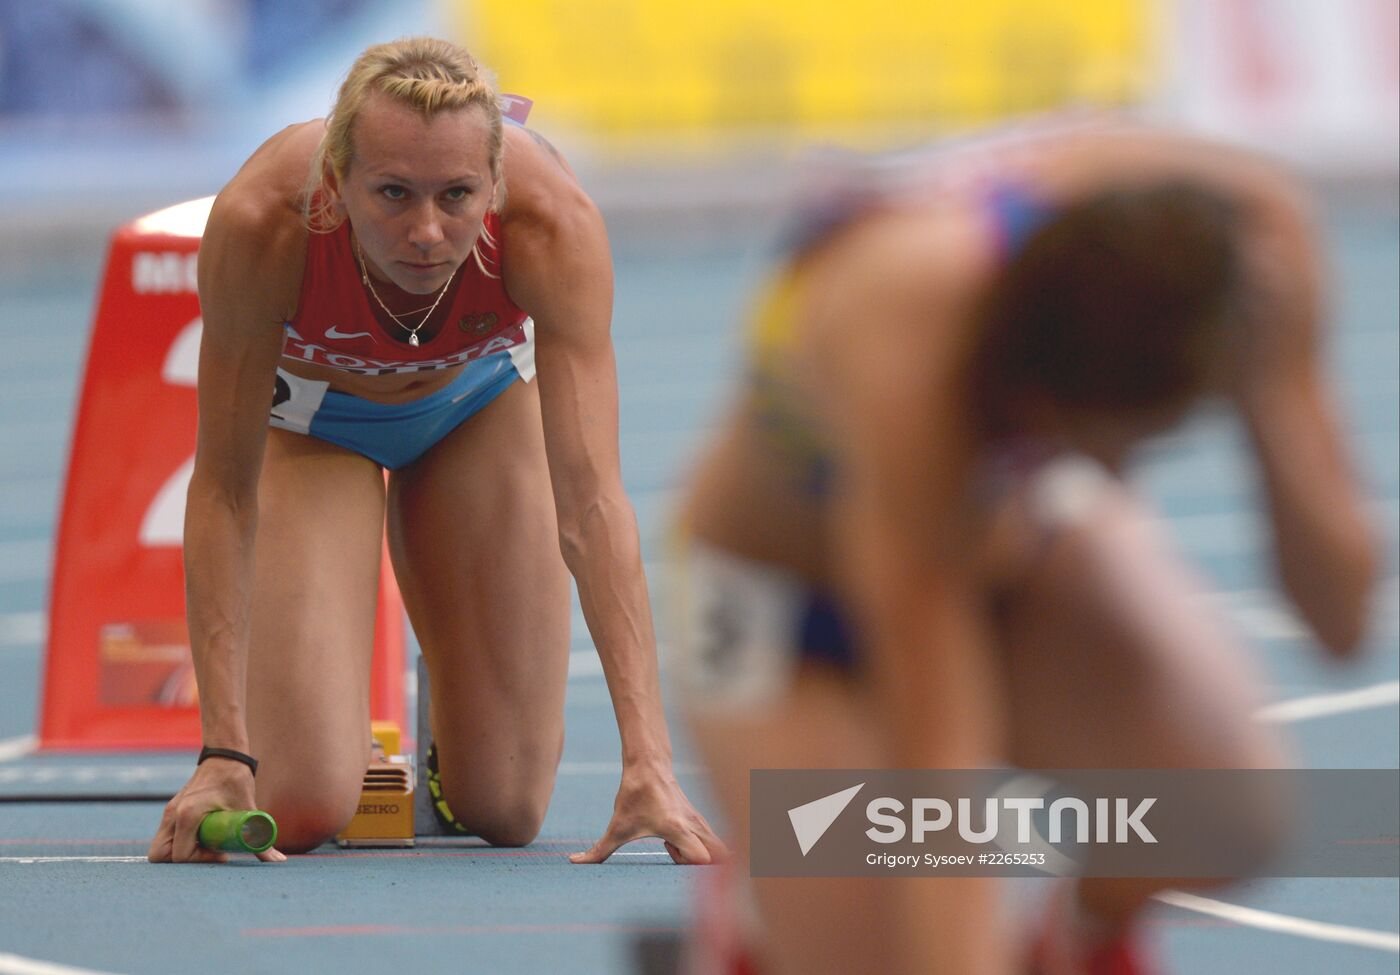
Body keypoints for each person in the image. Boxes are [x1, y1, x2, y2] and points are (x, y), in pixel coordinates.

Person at [672, 118, 1377, 974]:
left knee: (1223, 809)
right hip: (773, 607)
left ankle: (1073, 939)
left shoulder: (1258, 241)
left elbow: (1342, 621)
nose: (1117, 466)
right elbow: (942, 768)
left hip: (1016, 552)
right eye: (1099, 443)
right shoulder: (907, 338)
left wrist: (1269, 394)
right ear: (1035, 399)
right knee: (891, 916)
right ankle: (753, 925)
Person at [147, 36, 724, 866]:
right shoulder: (260, 223)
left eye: (457, 195)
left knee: (508, 806)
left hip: (475, 409)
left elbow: (593, 503)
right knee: (304, 802)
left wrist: (650, 761)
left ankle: (451, 741)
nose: (426, 232)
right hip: (311, 430)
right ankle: (326, 720)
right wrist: (223, 752)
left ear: (495, 183)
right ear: (336, 184)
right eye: (392, 193)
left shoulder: (550, 223)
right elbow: (225, 494)